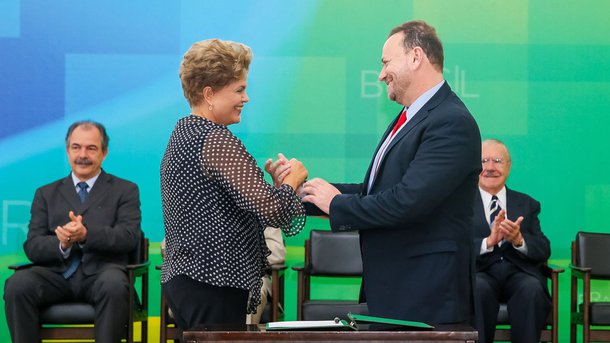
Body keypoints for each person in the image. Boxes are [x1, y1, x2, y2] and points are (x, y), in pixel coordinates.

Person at [270, 20, 481, 325]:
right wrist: (300, 190)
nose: (381, 74)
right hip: (398, 290)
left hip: (427, 295)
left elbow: (408, 200)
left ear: (416, 56)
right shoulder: (411, 117)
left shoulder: (451, 121)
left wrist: (336, 204)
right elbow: (375, 192)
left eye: (385, 63)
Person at [160, 38, 307, 330]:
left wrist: (277, 187)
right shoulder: (215, 139)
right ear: (209, 94)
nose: (246, 98)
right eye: (239, 89)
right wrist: (293, 179)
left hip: (190, 282)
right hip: (212, 284)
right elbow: (274, 212)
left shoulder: (183, 134)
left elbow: (237, 202)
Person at [3, 121, 142, 343]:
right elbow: (33, 245)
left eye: (91, 148)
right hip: (55, 275)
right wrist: (62, 244)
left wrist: (86, 235)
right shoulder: (46, 193)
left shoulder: (125, 190)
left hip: (102, 274)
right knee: (17, 285)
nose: (82, 155)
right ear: (68, 150)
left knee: (114, 285)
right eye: (76, 147)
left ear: (104, 153)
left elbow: (128, 237)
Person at [473, 139, 551, 343]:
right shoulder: (459, 205)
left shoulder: (527, 204)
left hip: (519, 273)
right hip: (479, 273)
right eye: (484, 161)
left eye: (498, 161)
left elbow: (543, 249)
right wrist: (488, 242)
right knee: (477, 288)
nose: (490, 167)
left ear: (508, 167)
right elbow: (453, 246)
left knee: (532, 288)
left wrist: (519, 240)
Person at [246, 227, 286, 324]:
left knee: (255, 290)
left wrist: (245, 256)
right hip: (218, 276)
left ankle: (246, 336)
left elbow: (277, 253)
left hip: (256, 275)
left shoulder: (265, 213)